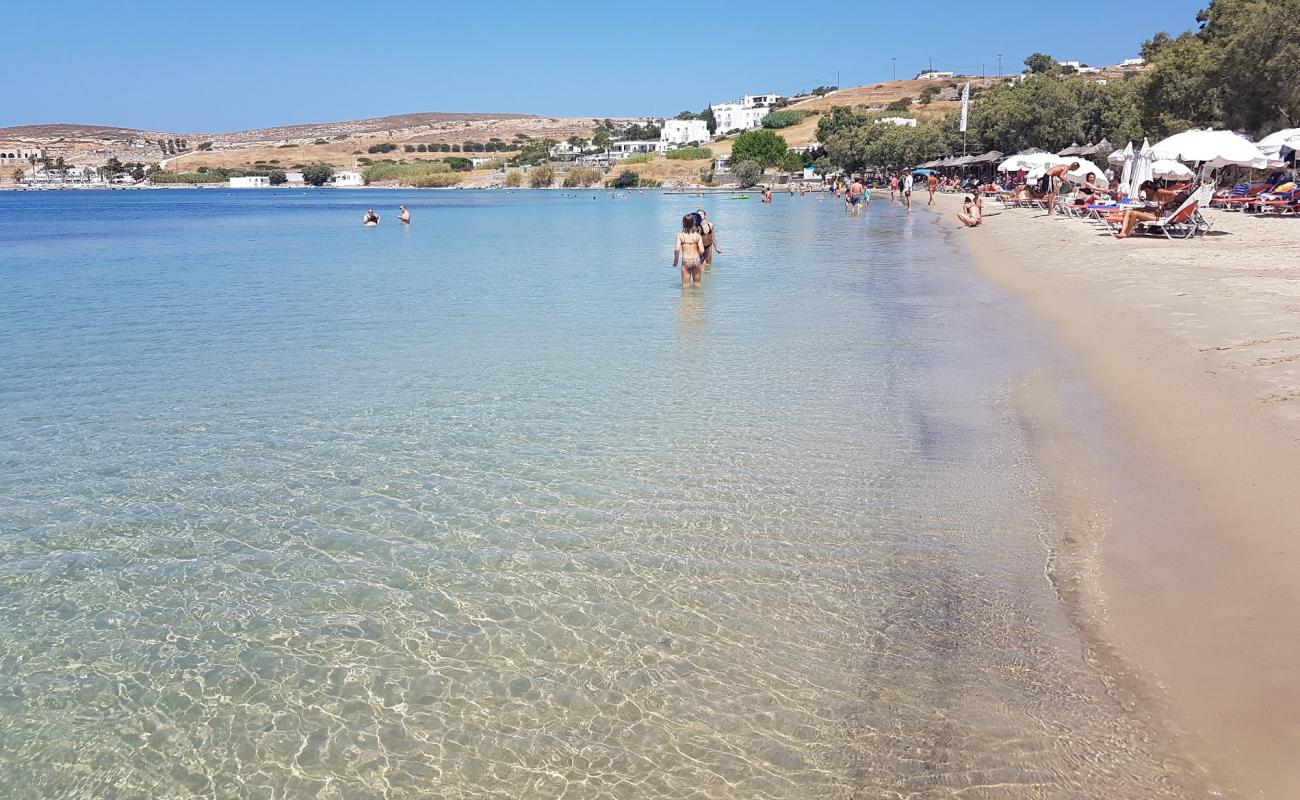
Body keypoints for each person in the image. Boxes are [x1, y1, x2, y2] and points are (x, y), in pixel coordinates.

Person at [1114, 181, 1187, 238]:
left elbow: (1174, 194)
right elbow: (1149, 206)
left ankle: (1126, 232)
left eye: (1147, 191)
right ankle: (1124, 232)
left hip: (1156, 216)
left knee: (1134, 213)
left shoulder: (1159, 192)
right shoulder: (1148, 194)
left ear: (1152, 188)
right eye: (1145, 191)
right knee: (1128, 211)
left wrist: (1164, 202)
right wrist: (1140, 197)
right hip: (1148, 213)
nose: (1146, 193)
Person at [673, 213, 705, 288]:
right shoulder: (697, 235)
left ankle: (686, 299)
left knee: (685, 286)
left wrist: (676, 261)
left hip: (686, 260)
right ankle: (697, 299)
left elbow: (677, 249)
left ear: (683, 223)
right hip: (696, 260)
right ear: (694, 223)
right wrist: (698, 255)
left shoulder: (680, 235)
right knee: (697, 284)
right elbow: (702, 250)